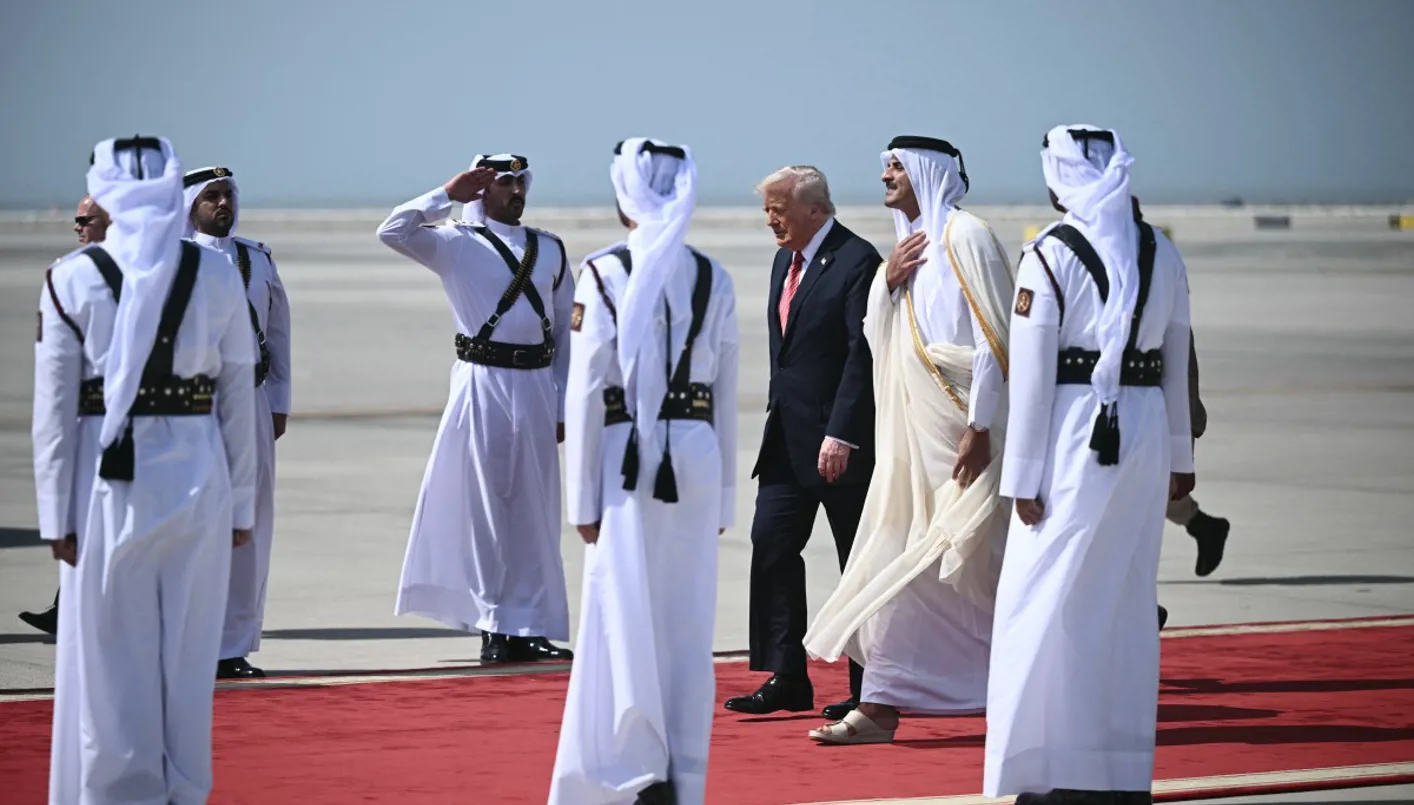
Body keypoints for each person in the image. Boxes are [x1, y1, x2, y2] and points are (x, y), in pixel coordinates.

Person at [36, 135, 257, 805]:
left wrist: (54, 516)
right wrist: (242, 503)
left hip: (105, 486)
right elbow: (237, 395)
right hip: (198, 477)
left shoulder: (71, 277)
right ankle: (181, 789)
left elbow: (54, 412)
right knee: (189, 656)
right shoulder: (217, 273)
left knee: (108, 659)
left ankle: (115, 791)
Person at [984, 125, 1195, 805]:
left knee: (1042, 601)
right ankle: (1115, 770)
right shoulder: (1161, 249)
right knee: (1124, 598)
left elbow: (1032, 376)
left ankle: (1047, 769)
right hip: (1145, 433)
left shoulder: (1049, 253)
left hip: (1076, 435)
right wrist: (1180, 458)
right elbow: (1176, 357)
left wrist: (1022, 477)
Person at [804, 136, 1014, 744]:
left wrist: (980, 427)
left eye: (896, 166)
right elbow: (881, 340)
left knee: (973, 566)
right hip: (913, 444)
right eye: (885, 166)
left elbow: (996, 342)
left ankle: (1024, 684)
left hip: (964, 437)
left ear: (929, 172)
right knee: (906, 560)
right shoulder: (907, 248)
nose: (886, 176)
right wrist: (888, 284)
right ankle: (882, 704)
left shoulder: (967, 237)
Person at [550, 137, 738, 805]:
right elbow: (725, 392)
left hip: (628, 459)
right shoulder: (714, 276)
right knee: (686, 622)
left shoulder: (603, 273)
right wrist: (724, 499)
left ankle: (631, 771)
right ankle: (681, 773)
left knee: (620, 614)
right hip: (695, 456)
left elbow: (585, 388)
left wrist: (580, 499)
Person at [377, 153, 575, 663]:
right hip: (481, 381)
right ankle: (493, 626)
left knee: (535, 510)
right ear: (482, 189)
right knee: (486, 508)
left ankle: (530, 625)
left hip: (536, 385)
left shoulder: (549, 248)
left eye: (519, 181)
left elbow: (563, 332)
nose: (515, 190)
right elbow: (393, 231)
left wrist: (561, 402)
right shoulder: (454, 243)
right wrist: (447, 194)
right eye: (503, 182)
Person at [724, 166, 881, 720]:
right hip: (786, 439)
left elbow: (862, 354)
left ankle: (868, 687)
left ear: (815, 210)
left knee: (855, 561)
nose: (771, 220)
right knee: (770, 544)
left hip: (841, 444)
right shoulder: (783, 261)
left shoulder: (857, 261)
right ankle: (787, 675)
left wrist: (842, 432)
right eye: (767, 210)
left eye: (779, 210)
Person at [183, 165, 294, 679]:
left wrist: (279, 401)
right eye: (212, 196)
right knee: (199, 523)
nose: (224, 203)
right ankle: (194, 639)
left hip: (251, 400)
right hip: (196, 406)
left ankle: (233, 646)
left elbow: (279, 331)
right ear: (191, 206)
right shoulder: (176, 261)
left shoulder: (257, 258)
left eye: (229, 194)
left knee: (251, 520)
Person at [19, 193, 112, 636]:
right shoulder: (68, 276)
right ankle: (67, 608)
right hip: (86, 424)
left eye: (85, 219)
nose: (77, 226)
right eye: (76, 219)